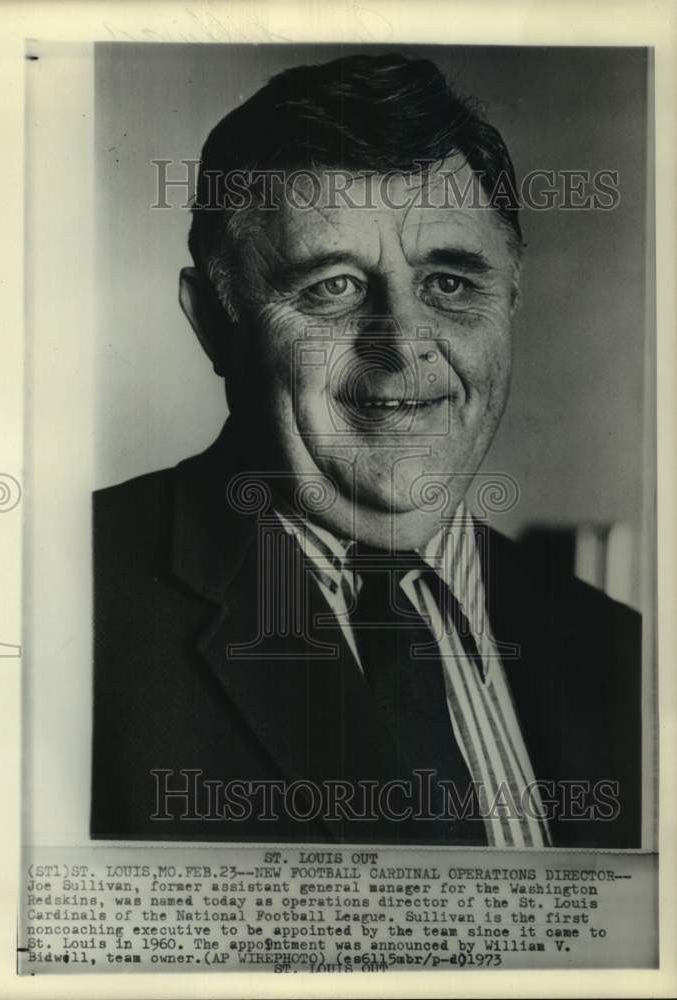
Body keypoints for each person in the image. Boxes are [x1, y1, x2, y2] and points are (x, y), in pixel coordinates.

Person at [91, 54, 641, 847]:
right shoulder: (59, 610)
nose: (402, 347)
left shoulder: (622, 657)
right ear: (214, 322)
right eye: (333, 287)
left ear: (510, 303)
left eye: (450, 283)